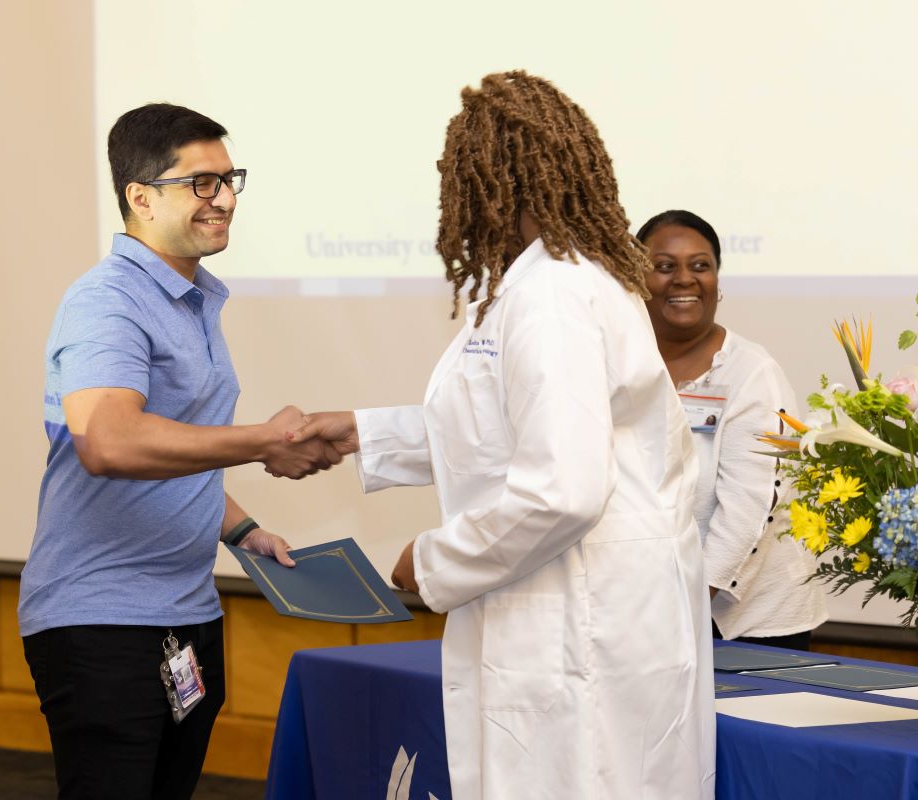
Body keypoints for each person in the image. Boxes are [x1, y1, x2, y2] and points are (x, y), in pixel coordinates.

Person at [291, 72, 714, 799]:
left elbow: (563, 490)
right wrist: (362, 433)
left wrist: (433, 561)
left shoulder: (552, 295)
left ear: (489, 179)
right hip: (584, 615)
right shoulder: (554, 282)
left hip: (582, 626)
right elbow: (501, 430)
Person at [18, 103, 337, 800]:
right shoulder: (108, 301)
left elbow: (172, 445)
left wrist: (242, 529)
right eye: (201, 182)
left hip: (186, 615)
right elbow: (107, 439)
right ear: (140, 196)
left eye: (229, 180)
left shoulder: (192, 298)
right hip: (103, 621)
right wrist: (263, 441)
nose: (223, 198)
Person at [636, 209, 827, 649]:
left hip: (749, 620)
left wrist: (683, 611)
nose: (684, 279)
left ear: (717, 282)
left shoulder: (751, 372)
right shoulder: (623, 366)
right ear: (636, 280)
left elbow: (749, 510)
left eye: (700, 266)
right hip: (651, 609)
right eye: (664, 267)